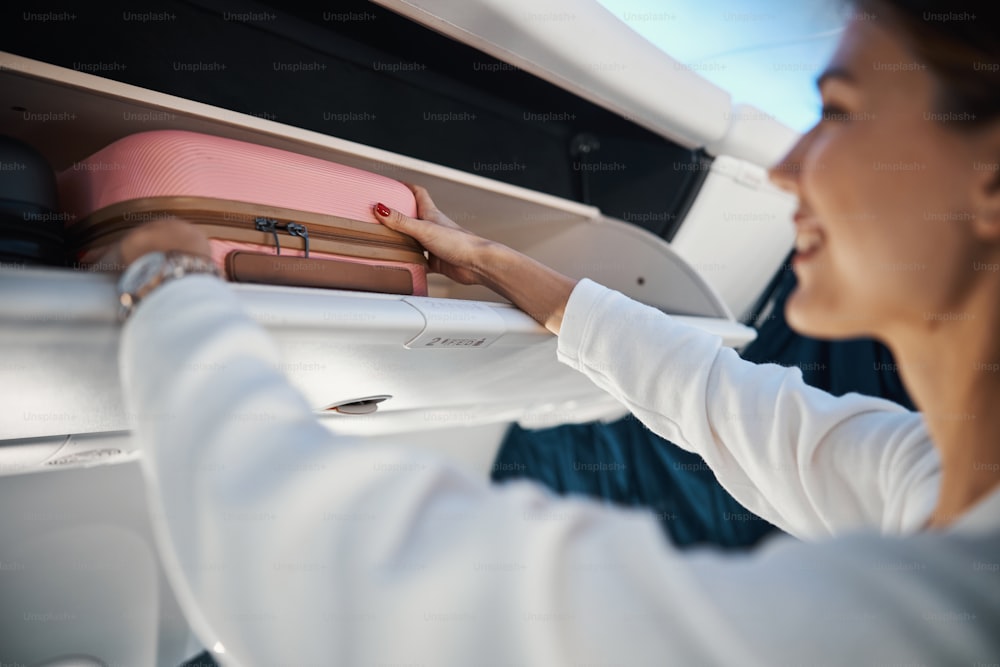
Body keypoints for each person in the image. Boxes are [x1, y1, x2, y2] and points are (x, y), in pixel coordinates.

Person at [109, 1, 999, 665]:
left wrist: (167, 280)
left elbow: (315, 571)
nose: (786, 165)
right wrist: (493, 261)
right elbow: (723, 400)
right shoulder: (934, 476)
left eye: (838, 113)